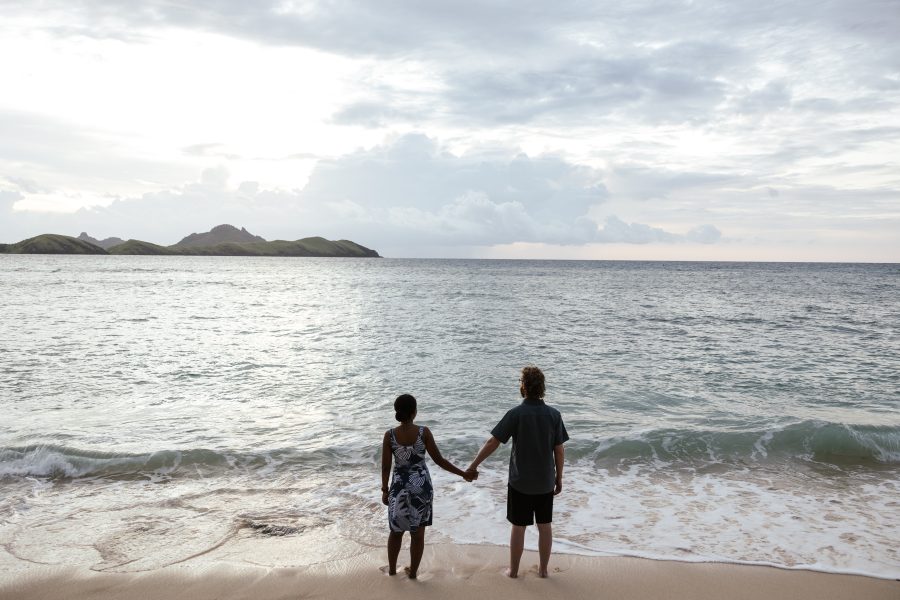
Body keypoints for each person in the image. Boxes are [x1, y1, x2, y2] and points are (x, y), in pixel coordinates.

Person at [467, 365, 568, 578]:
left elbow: (493, 441)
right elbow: (559, 450)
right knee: (545, 526)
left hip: (520, 482)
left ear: (523, 387)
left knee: (518, 527)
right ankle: (543, 570)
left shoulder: (516, 414)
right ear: (542, 388)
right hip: (544, 482)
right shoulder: (554, 415)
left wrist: (474, 465)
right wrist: (559, 478)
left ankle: (513, 571)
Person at [381, 393, 476, 578]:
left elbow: (385, 467)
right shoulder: (423, 432)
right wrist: (463, 473)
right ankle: (413, 574)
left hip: (398, 489)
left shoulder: (390, 435)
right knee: (418, 534)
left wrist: (385, 490)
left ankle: (392, 571)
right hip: (421, 488)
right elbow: (439, 460)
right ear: (414, 412)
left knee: (396, 532)